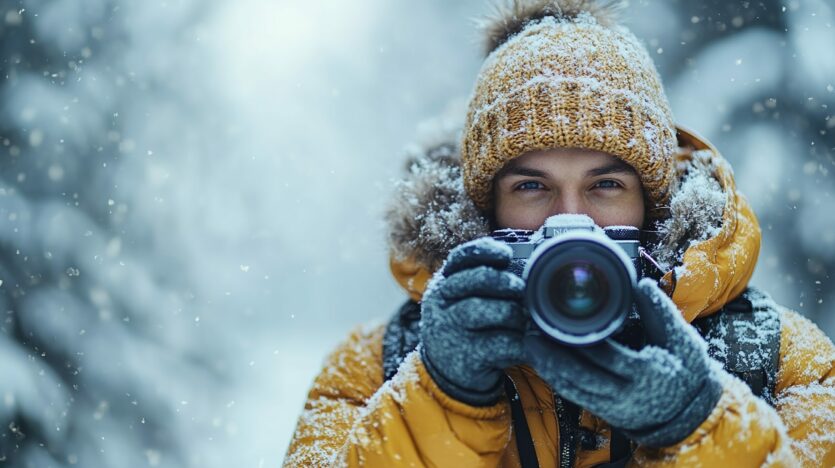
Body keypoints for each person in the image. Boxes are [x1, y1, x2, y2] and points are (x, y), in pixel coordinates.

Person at [284, 1, 835, 466]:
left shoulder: (779, 360)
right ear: (485, 211)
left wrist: (699, 424)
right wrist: (442, 396)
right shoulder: (374, 368)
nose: (569, 220)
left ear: (653, 203)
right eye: (531, 187)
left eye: (606, 185)